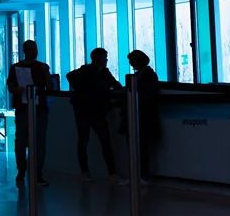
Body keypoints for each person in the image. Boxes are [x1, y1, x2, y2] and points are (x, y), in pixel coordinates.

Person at [65, 48, 124, 183]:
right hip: (88, 110)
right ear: (98, 59)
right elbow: (114, 85)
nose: (106, 60)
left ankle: (95, 171)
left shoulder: (100, 72)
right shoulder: (89, 71)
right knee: (95, 141)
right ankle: (103, 172)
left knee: (95, 141)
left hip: (92, 110)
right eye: (105, 57)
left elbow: (114, 84)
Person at [7, 40, 53, 188]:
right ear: (24, 50)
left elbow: (50, 88)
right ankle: (21, 170)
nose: (34, 51)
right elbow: (10, 86)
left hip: (39, 109)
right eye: (30, 48)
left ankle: (38, 173)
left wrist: (46, 74)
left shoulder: (42, 67)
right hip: (22, 109)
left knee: (39, 142)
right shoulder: (16, 68)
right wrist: (17, 90)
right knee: (21, 141)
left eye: (35, 48)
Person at [119, 50, 160, 185]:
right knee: (137, 147)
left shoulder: (148, 76)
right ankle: (137, 174)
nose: (130, 64)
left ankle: (142, 175)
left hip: (143, 117)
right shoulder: (139, 76)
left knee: (141, 147)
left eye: (132, 61)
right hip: (138, 116)